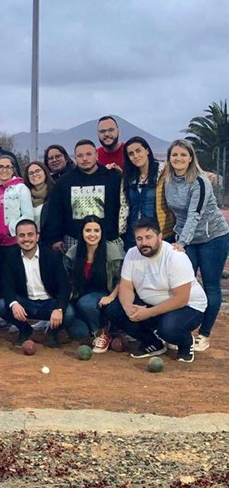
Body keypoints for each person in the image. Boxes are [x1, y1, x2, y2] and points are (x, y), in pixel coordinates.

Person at [103, 217, 206, 363]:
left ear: (159, 236)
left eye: (148, 237)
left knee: (168, 329)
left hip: (188, 306)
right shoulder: (132, 254)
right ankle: (152, 343)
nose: (144, 243)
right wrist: (128, 308)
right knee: (113, 309)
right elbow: (126, 286)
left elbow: (181, 299)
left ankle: (185, 342)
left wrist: (148, 313)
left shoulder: (176, 257)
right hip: (152, 305)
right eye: (139, 239)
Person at [161, 139, 229, 352]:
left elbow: (194, 215)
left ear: (191, 158)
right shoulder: (168, 180)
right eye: (174, 155)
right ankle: (179, 330)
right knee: (182, 284)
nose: (178, 158)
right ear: (169, 158)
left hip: (212, 238)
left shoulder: (200, 181)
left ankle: (204, 334)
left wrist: (181, 242)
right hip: (185, 237)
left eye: (183, 154)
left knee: (210, 285)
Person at [0, 219, 76, 347]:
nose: (26, 239)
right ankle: (25, 329)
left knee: (69, 312)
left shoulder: (52, 256)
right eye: (22, 235)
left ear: (37, 237)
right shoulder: (10, 257)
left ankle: (52, 332)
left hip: (49, 303)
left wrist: (59, 308)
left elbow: (64, 287)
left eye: (30, 234)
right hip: (26, 303)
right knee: (2, 305)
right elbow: (7, 286)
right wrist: (14, 303)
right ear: (16, 239)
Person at [45, 139, 126, 253]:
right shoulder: (64, 182)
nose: (84, 159)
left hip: (108, 238)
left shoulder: (113, 178)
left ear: (96, 155)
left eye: (88, 154)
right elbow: (55, 212)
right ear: (75, 158)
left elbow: (122, 208)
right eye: (80, 155)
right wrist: (55, 238)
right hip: (74, 239)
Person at [64, 216, 124, 353]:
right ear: (82, 232)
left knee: (86, 303)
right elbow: (68, 281)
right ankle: (109, 332)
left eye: (96, 230)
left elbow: (121, 279)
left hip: (105, 296)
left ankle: (101, 333)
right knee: (79, 332)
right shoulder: (72, 253)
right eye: (88, 230)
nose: (92, 234)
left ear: (102, 232)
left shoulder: (113, 251)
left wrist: (111, 296)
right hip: (79, 299)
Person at [122, 136, 172, 251]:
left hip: (157, 232)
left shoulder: (163, 172)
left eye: (138, 151)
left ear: (147, 150)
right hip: (133, 234)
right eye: (131, 154)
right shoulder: (128, 177)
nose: (136, 156)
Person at [0, 155, 33, 264]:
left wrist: (10, 229)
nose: (4, 170)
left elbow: (28, 215)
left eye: (8, 167)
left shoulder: (21, 188)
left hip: (14, 242)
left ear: (13, 170)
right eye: (1, 167)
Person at [23, 160, 55, 240]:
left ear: (45, 173)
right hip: (28, 240)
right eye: (31, 173)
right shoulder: (24, 195)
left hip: (50, 240)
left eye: (37, 171)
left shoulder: (55, 193)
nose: (34, 175)